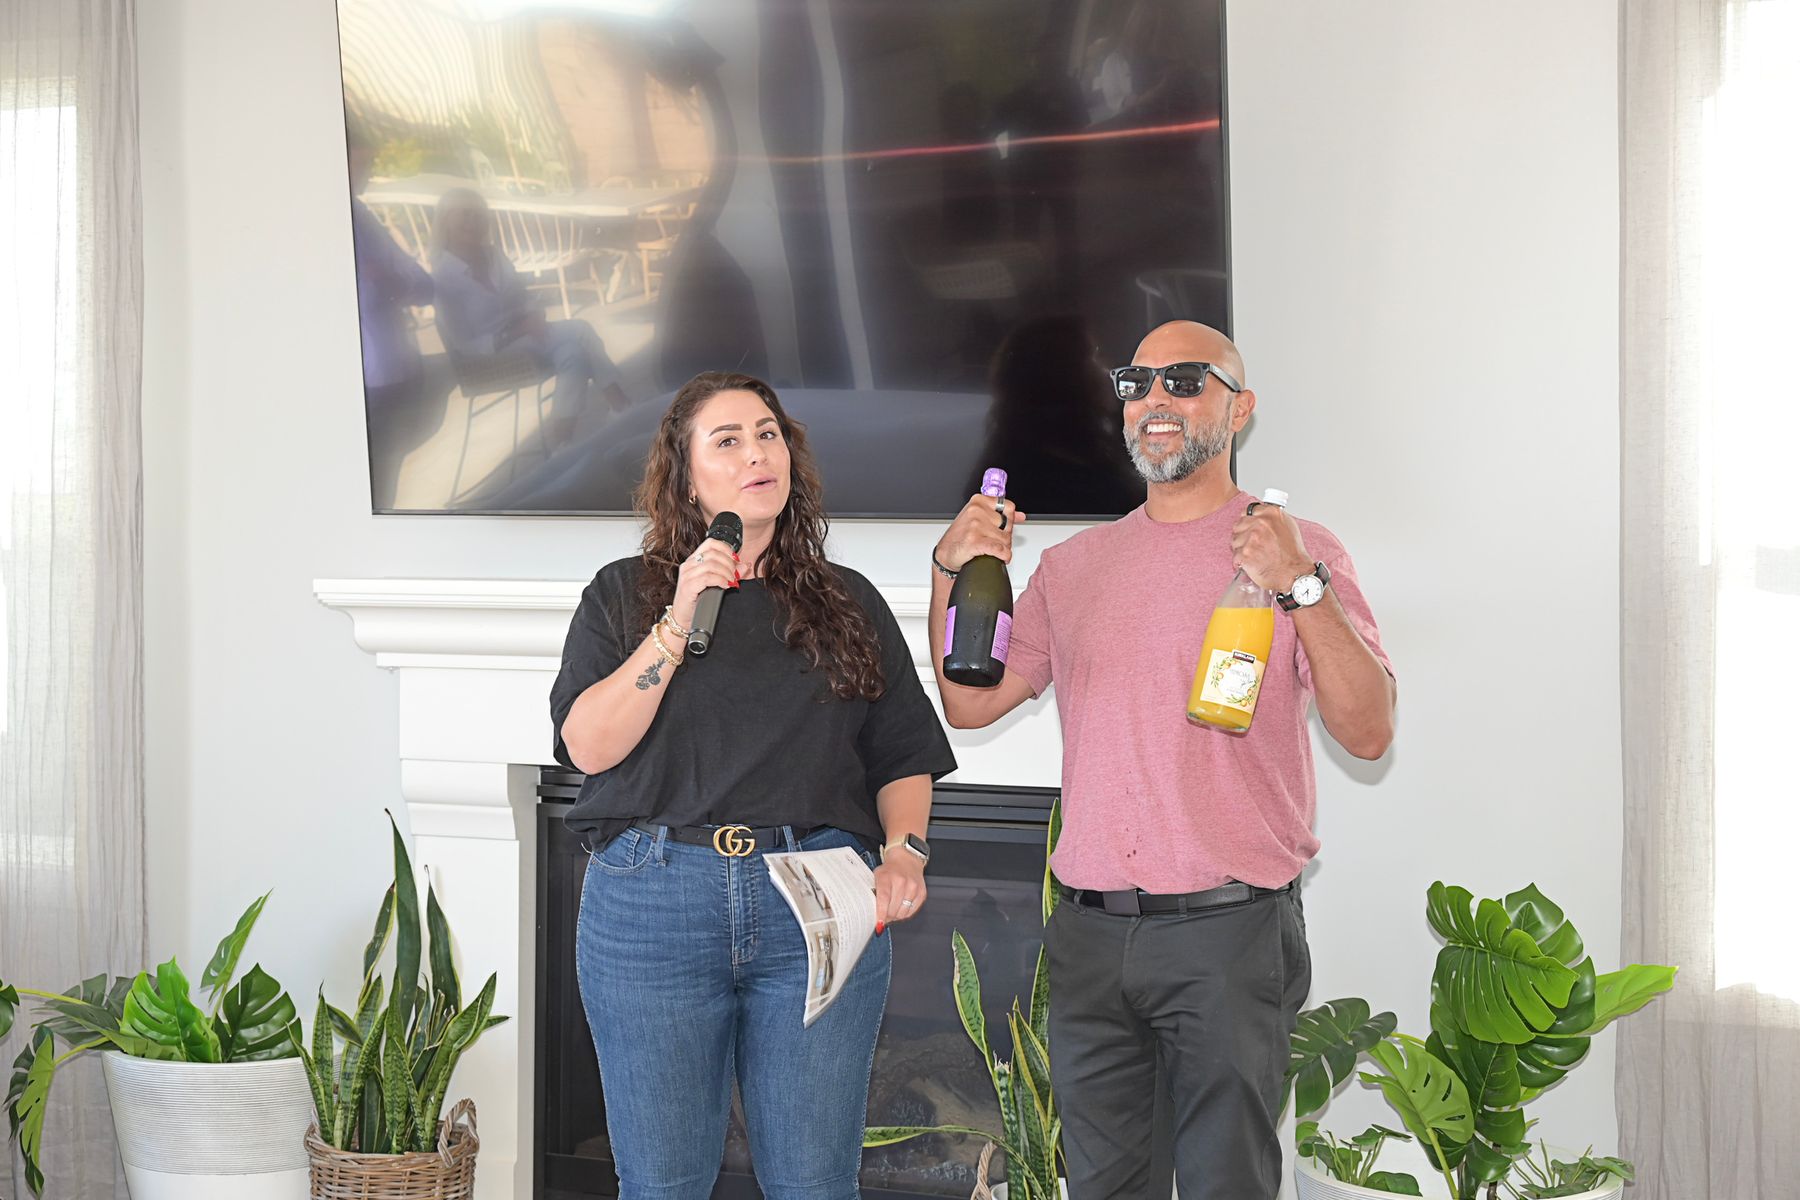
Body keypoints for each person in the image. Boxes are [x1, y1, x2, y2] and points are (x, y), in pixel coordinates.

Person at [929, 321, 1396, 1200]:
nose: (1156, 400)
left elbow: (1368, 732)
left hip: (1227, 935)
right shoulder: (1074, 566)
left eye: (1185, 381)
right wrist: (947, 569)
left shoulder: (1299, 550)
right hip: (1091, 938)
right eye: (1136, 383)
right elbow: (968, 701)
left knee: (1228, 1186)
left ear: (1240, 409)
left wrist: (1300, 584)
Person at [550, 371, 956, 1200]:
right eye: (727, 441)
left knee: (815, 1183)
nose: (755, 454)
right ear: (686, 477)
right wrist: (677, 620)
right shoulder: (623, 594)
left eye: (768, 434)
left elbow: (902, 754)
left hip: (817, 899)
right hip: (652, 907)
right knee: (661, 1184)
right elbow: (587, 747)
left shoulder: (848, 601)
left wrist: (906, 852)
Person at [430, 187, 627, 443]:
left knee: (573, 354)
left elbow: (522, 296)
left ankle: (561, 444)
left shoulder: (494, 255)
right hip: (490, 357)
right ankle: (621, 406)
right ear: (445, 220)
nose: (473, 221)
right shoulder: (442, 277)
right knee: (580, 330)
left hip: (527, 336)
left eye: (479, 215)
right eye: (465, 214)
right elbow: (463, 345)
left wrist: (535, 314)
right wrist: (517, 331)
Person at [347, 127, 438, 509]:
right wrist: (388, 284)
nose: (367, 174)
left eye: (369, 164)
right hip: (370, 379)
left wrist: (389, 282)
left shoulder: (361, 216)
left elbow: (424, 286)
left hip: (388, 374)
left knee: (381, 485)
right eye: (362, 165)